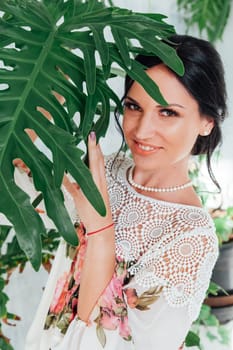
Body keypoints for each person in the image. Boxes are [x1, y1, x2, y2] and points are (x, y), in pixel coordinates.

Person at [25, 34, 227, 350]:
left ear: (207, 122)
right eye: (134, 106)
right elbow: (14, 183)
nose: (142, 130)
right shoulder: (106, 171)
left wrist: (102, 231)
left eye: (168, 112)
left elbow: (109, 340)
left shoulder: (190, 238)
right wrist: (45, 96)